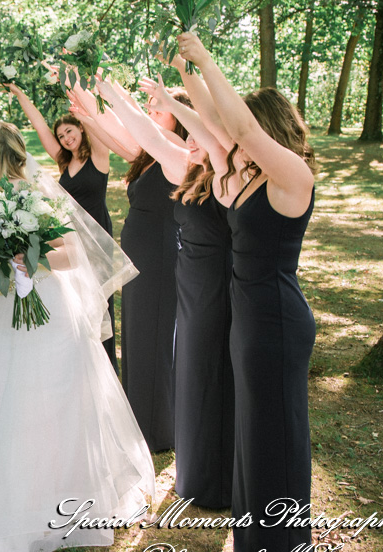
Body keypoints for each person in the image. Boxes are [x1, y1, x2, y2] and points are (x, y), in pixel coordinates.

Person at [0, 118, 155, 552]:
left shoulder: (28, 192)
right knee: (2, 404)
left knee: (43, 406)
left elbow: (70, 253)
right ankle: (6, 508)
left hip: (43, 315)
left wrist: (21, 255)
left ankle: (50, 511)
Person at [180, 32, 317, 552]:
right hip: (246, 319)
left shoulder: (291, 176)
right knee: (253, 429)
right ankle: (254, 541)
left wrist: (206, 58)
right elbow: (218, 124)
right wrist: (184, 71)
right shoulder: (246, 179)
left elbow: (237, 127)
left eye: (251, 129)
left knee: (276, 430)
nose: (236, 139)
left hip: (277, 321)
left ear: (270, 129)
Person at [138, 67, 241, 509]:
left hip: (215, 289)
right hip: (190, 287)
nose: (191, 141)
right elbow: (151, 137)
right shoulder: (193, 171)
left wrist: (178, 94)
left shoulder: (223, 175)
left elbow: (175, 135)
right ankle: (193, 473)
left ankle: (213, 480)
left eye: (198, 134)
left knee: (209, 378)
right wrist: (107, 95)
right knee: (189, 376)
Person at [72, 79, 191, 453]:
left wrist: (106, 88)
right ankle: (141, 419)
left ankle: (156, 432)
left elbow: (135, 121)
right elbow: (118, 127)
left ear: (180, 118)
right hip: (141, 255)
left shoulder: (175, 149)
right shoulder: (150, 153)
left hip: (159, 255)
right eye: (151, 105)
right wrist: (82, 92)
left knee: (154, 337)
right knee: (139, 337)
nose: (152, 110)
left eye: (160, 107)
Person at [5, 84, 119, 371]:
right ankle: (82, 365)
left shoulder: (99, 157)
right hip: (68, 238)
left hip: (96, 235)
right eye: (62, 136)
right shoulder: (64, 162)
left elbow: (95, 121)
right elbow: (41, 128)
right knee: (76, 300)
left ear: (80, 129)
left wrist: (77, 92)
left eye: (70, 131)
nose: (66, 138)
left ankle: (105, 366)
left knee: (100, 300)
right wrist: (21, 95)